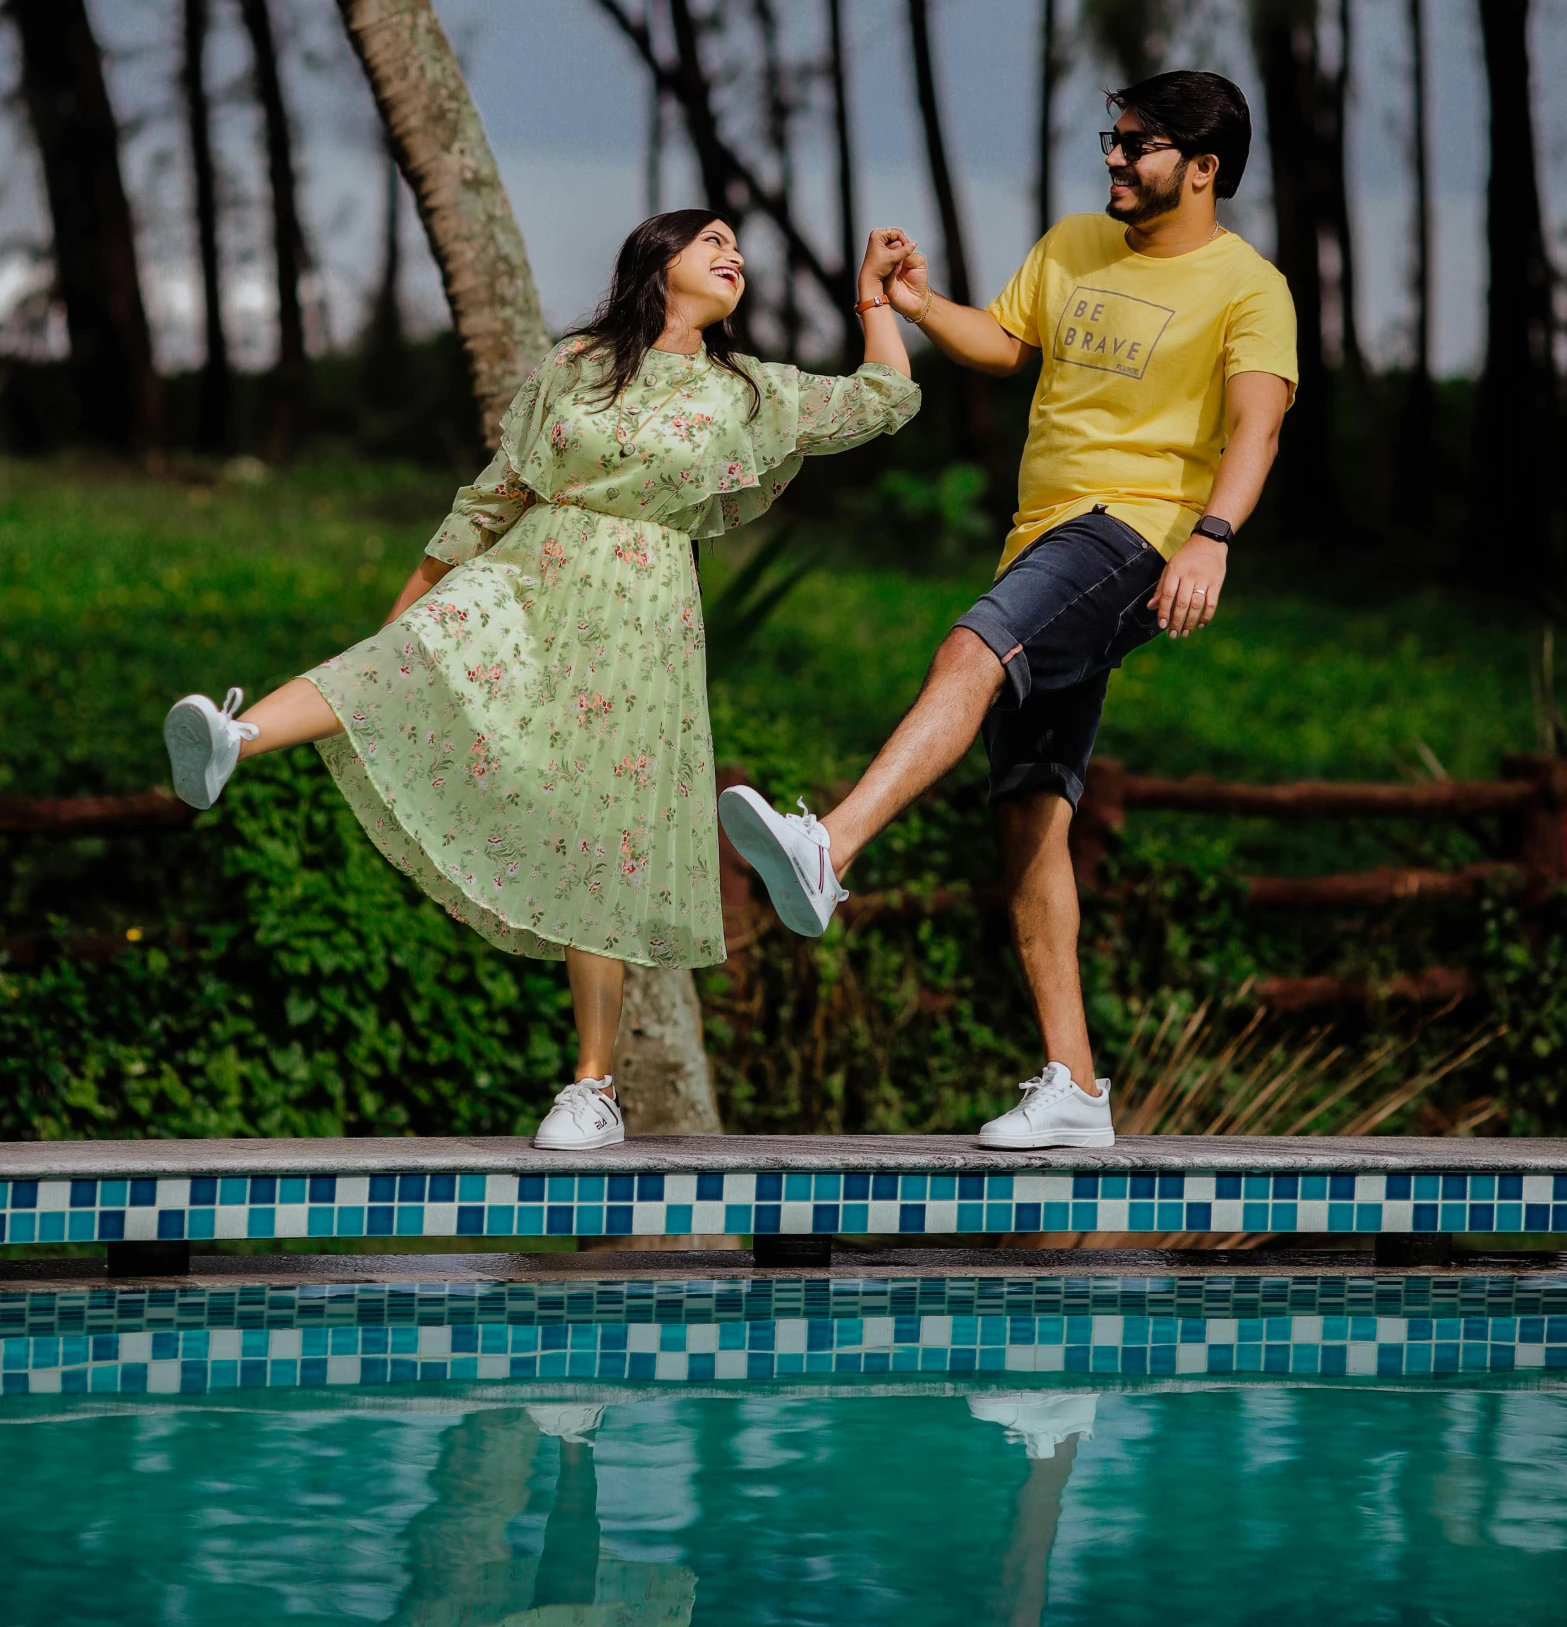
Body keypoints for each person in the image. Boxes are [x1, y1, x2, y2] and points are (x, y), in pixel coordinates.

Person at [162, 211, 920, 1150]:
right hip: (526, 573)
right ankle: (232, 741)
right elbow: (492, 495)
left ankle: (592, 1087)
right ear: (658, 261)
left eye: (738, 247)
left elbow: (886, 394)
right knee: (406, 653)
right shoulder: (577, 365)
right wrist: (400, 618)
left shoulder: (747, 389)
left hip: (642, 623)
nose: (733, 256)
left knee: (606, 834)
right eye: (711, 241)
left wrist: (872, 296)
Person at [720, 72, 1297, 1149]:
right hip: (1044, 531)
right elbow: (1006, 345)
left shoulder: (1248, 287)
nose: (1116, 159)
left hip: (1134, 529)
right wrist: (909, 302)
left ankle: (829, 847)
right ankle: (1073, 1083)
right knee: (1030, 807)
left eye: (1139, 145)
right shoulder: (1076, 243)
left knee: (972, 644)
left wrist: (1212, 541)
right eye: (1112, 139)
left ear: (1204, 168)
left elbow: (1256, 428)